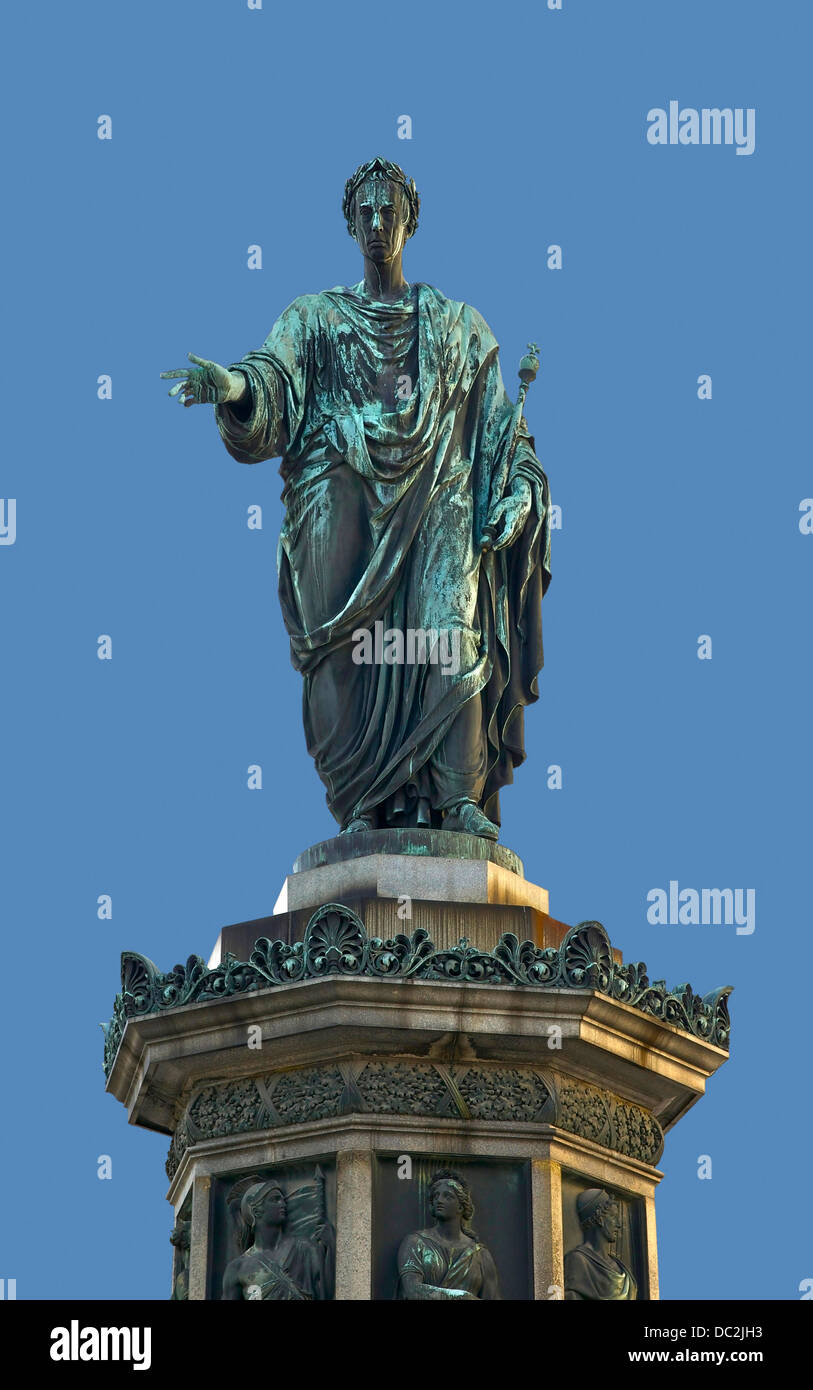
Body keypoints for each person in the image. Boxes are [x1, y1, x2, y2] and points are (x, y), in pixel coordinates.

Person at [161, 158, 551, 841]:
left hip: (439, 508)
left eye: (388, 211)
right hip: (338, 510)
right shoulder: (312, 319)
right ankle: (363, 800)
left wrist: (518, 491)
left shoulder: (458, 327)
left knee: (445, 635)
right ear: (349, 225)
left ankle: (456, 797)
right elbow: (272, 381)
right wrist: (232, 389)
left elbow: (503, 433)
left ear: (410, 221)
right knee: (347, 651)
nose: (377, 224)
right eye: (365, 214)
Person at [396, 1170, 501, 1299]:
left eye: (448, 1196)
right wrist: (463, 1297)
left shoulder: (481, 1256)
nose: (439, 1200)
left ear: (461, 1207)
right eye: (435, 1196)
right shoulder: (415, 1243)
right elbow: (412, 1291)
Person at [221, 1181, 329, 1300]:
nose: (283, 1204)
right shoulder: (237, 1268)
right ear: (256, 1211)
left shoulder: (305, 1250)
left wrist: (331, 1244)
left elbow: (328, 1287)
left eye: (283, 1199)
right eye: (275, 1200)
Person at [564, 1189, 638, 1300]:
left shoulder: (621, 1269)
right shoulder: (577, 1262)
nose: (618, 1225)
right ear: (600, 1219)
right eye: (613, 1217)